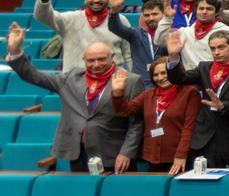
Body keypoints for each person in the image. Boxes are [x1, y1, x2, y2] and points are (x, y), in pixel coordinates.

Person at [5, 23, 144, 172]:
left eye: (102, 59)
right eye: (91, 60)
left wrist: (126, 153)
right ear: (83, 60)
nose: (96, 65)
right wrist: (15, 51)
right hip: (79, 152)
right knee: (83, 193)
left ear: (113, 57)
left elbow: (136, 123)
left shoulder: (130, 81)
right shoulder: (71, 78)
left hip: (114, 154)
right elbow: (34, 76)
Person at [166, 28, 229, 170]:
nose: (216, 52)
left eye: (221, 47)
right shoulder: (204, 67)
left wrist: (223, 106)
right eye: (212, 48)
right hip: (205, 139)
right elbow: (179, 78)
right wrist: (174, 56)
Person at [110, 57, 199, 174]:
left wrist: (181, 155)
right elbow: (124, 111)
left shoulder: (189, 92)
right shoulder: (148, 94)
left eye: (164, 73)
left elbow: (189, 127)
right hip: (152, 158)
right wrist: (118, 93)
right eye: (155, 74)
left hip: (179, 158)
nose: (160, 78)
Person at [34, 0, 133, 72]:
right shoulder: (70, 19)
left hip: (112, 80)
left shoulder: (121, 20)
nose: (96, 0)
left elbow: (128, 54)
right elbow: (42, 16)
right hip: (75, 80)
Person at [156, 0, 229, 71]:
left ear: (216, 13)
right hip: (191, 82)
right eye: (201, 8)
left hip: (217, 80)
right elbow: (159, 41)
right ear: (195, 11)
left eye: (209, 9)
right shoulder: (185, 32)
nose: (204, 12)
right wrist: (167, 18)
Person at [107, 0, 164, 75]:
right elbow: (114, 27)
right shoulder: (135, 34)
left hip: (166, 79)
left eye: (155, 14)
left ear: (163, 14)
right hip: (143, 83)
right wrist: (114, 11)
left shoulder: (171, 34)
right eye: (147, 15)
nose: (151, 18)